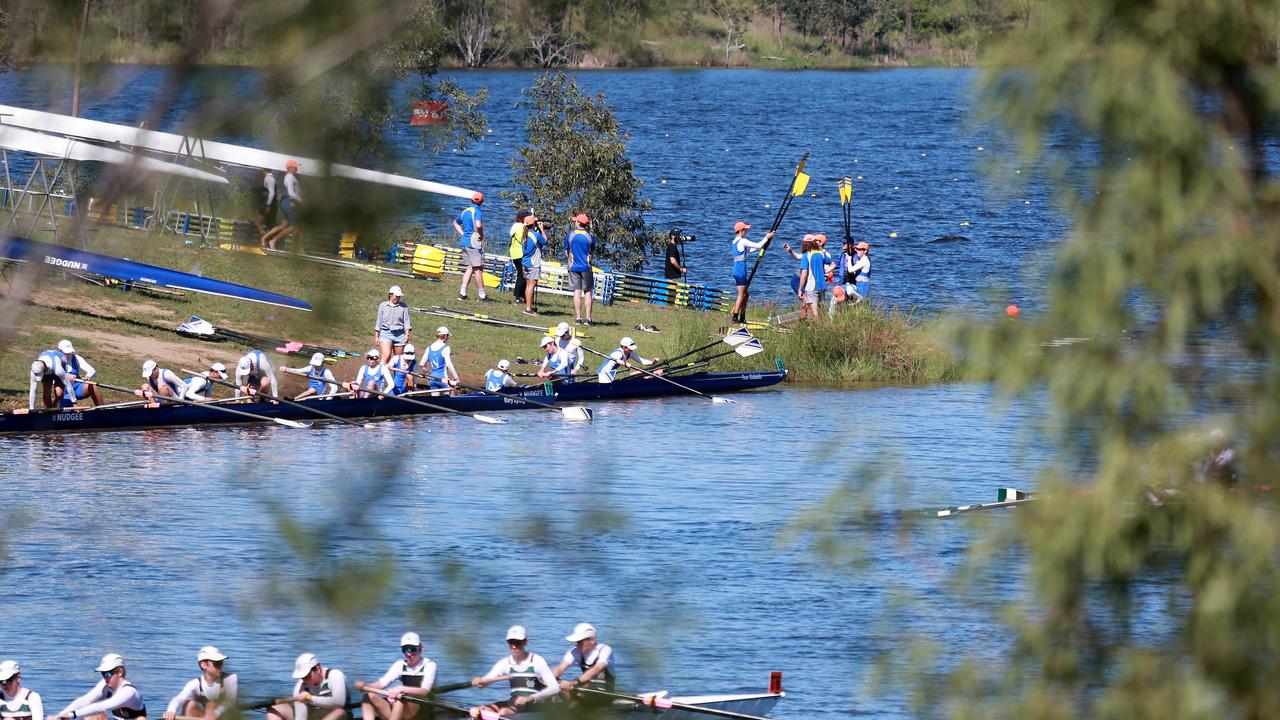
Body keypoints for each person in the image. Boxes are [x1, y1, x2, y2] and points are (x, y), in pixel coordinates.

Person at [470, 626, 560, 716]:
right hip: (514, 703)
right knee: (484, 710)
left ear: (526, 642)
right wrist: (480, 682)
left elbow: (555, 688)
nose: (513, 646)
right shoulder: (505, 663)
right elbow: (488, 680)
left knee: (503, 712)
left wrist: (530, 697)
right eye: (511, 642)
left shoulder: (537, 661)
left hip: (535, 704)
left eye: (517, 643)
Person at [355, 632, 437, 720]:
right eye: (405, 649)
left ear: (421, 649)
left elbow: (424, 691)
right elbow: (381, 684)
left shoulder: (430, 665)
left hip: (422, 712)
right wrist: (365, 686)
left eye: (412, 649)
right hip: (403, 709)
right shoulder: (400, 665)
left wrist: (401, 688)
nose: (409, 654)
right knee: (368, 696)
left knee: (401, 697)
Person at [49, 654, 146, 720]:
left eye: (107, 673)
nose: (105, 677)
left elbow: (102, 706)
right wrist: (61, 714)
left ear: (120, 672)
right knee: (91, 716)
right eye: (103, 674)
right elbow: (85, 700)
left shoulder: (129, 692)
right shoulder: (105, 685)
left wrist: (73, 715)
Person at [264, 654, 347, 720]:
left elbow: (339, 702)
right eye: (302, 677)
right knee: (275, 707)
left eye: (307, 676)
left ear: (317, 669)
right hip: (313, 716)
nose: (304, 680)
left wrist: (310, 699)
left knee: (339, 712)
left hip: (338, 716)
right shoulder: (300, 687)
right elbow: (301, 717)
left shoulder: (335, 675)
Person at [162, 647, 237, 720]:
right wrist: (171, 710)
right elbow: (179, 698)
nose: (220, 666)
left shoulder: (230, 678)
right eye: (217, 663)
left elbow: (230, 701)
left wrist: (216, 713)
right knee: (188, 704)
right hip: (207, 717)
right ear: (204, 665)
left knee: (211, 705)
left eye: (221, 662)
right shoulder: (195, 684)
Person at [730, 221, 775, 325]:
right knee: (741, 295)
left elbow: (749, 250)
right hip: (740, 271)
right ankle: (735, 318)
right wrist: (766, 237)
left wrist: (764, 245)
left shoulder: (735, 242)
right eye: (745, 230)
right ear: (741, 231)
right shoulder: (742, 241)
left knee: (746, 294)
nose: (746, 232)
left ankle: (742, 317)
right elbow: (758, 245)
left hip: (737, 271)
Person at [553, 623, 615, 692]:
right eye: (577, 642)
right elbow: (561, 667)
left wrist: (572, 683)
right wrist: (552, 678)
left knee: (585, 686)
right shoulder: (575, 650)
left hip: (605, 691)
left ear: (592, 640)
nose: (578, 644)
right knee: (557, 687)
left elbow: (597, 668)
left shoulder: (605, 649)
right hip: (586, 689)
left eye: (580, 641)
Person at [453, 192, 487, 301]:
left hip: (464, 242)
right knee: (478, 269)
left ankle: (462, 292)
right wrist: (481, 235)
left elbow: (455, 223)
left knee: (470, 267)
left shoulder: (465, 211)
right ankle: (482, 295)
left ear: (471, 200)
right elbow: (478, 225)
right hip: (474, 243)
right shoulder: (477, 211)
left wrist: (462, 233)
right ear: (481, 202)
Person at [262, 160, 302, 250]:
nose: (297, 169)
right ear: (290, 168)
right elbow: (291, 193)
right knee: (294, 226)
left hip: (285, 201)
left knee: (284, 225)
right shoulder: (289, 176)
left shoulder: (290, 176)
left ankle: (265, 238)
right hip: (289, 202)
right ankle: (273, 241)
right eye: (295, 167)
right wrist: (301, 201)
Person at [565, 214, 595, 326]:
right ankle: (588, 319)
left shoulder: (570, 235)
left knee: (576, 291)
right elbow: (592, 251)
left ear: (578, 223)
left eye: (575, 221)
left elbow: (567, 251)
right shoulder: (590, 236)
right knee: (588, 292)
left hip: (573, 266)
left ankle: (578, 318)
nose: (574, 223)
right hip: (586, 267)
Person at [58, 340, 104, 407]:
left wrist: (88, 376)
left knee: (92, 387)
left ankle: (102, 410)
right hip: (65, 393)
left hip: (77, 388)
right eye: (67, 353)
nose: (69, 355)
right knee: (73, 411)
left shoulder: (76, 358)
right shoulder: (56, 361)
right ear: (60, 351)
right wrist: (65, 376)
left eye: (70, 352)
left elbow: (92, 370)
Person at [374, 286, 412, 365]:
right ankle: (380, 375)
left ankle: (396, 377)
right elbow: (379, 321)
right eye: (396, 296)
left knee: (398, 360)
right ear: (391, 295)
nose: (397, 298)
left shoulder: (404, 307)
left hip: (399, 335)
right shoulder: (383, 306)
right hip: (385, 333)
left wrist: (407, 334)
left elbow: (407, 321)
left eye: (399, 297)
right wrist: (376, 336)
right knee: (386, 356)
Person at [795, 236, 829, 322]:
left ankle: (819, 332)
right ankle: (822, 327)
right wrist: (826, 270)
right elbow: (833, 264)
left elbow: (804, 275)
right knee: (820, 310)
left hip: (811, 287)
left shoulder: (807, 256)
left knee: (814, 312)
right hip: (822, 286)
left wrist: (800, 289)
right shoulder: (821, 254)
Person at [521, 215, 547, 316]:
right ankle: (528, 308)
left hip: (525, 262)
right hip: (533, 263)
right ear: (533, 225)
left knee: (528, 286)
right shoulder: (536, 235)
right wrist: (542, 229)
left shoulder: (524, 234)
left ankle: (528, 306)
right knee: (531, 286)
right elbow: (545, 241)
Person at [425, 327, 460, 392]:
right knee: (451, 394)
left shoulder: (429, 348)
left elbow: (422, 364)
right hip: (443, 379)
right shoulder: (446, 348)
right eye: (448, 336)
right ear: (445, 336)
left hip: (432, 379)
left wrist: (428, 376)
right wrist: (456, 378)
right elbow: (449, 364)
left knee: (435, 401)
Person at [508, 209, 532, 304]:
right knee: (522, 276)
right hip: (521, 254)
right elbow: (524, 240)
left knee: (521, 275)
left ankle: (521, 296)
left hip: (514, 253)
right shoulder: (521, 227)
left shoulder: (515, 226)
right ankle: (518, 297)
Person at [255, 168, 278, 245]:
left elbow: (272, 193)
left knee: (258, 222)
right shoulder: (268, 178)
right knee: (268, 225)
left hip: (269, 205)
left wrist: (268, 205)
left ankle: (265, 240)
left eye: (261, 169)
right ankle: (266, 241)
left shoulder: (270, 178)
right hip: (268, 205)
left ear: (263, 170)